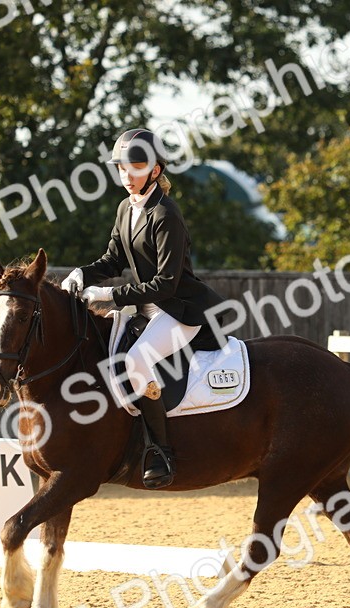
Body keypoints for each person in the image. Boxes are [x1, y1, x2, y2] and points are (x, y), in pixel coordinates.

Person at [62, 128, 226, 489]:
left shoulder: (165, 214)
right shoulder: (126, 209)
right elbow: (113, 258)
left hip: (178, 310)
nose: (128, 175)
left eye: (136, 167)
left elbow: (166, 284)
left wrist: (109, 297)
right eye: (122, 168)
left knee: (135, 362)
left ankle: (160, 450)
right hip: (144, 308)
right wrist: (81, 273)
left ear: (155, 170)